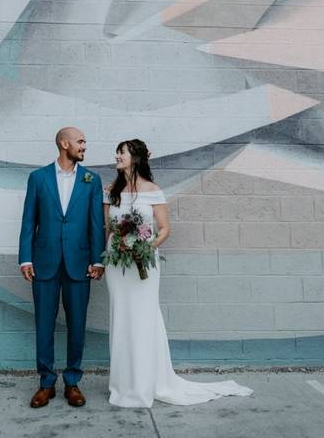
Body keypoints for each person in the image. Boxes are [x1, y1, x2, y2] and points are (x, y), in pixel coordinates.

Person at [103, 139, 253, 407]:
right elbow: (108, 229)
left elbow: (163, 229)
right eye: (117, 152)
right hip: (117, 264)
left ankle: (148, 381)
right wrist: (109, 255)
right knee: (121, 316)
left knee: (143, 315)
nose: (117, 156)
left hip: (144, 262)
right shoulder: (111, 190)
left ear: (135, 157)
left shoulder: (153, 190)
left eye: (121, 152)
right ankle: (124, 384)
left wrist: (145, 247)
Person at [18, 127, 106, 408]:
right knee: (44, 323)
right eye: (80, 141)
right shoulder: (38, 178)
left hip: (80, 264)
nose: (84, 147)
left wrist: (97, 259)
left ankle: (72, 382)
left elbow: (96, 223)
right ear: (63, 143)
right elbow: (28, 220)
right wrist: (26, 257)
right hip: (44, 262)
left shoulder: (92, 180)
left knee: (77, 324)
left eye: (84, 142)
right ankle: (46, 383)